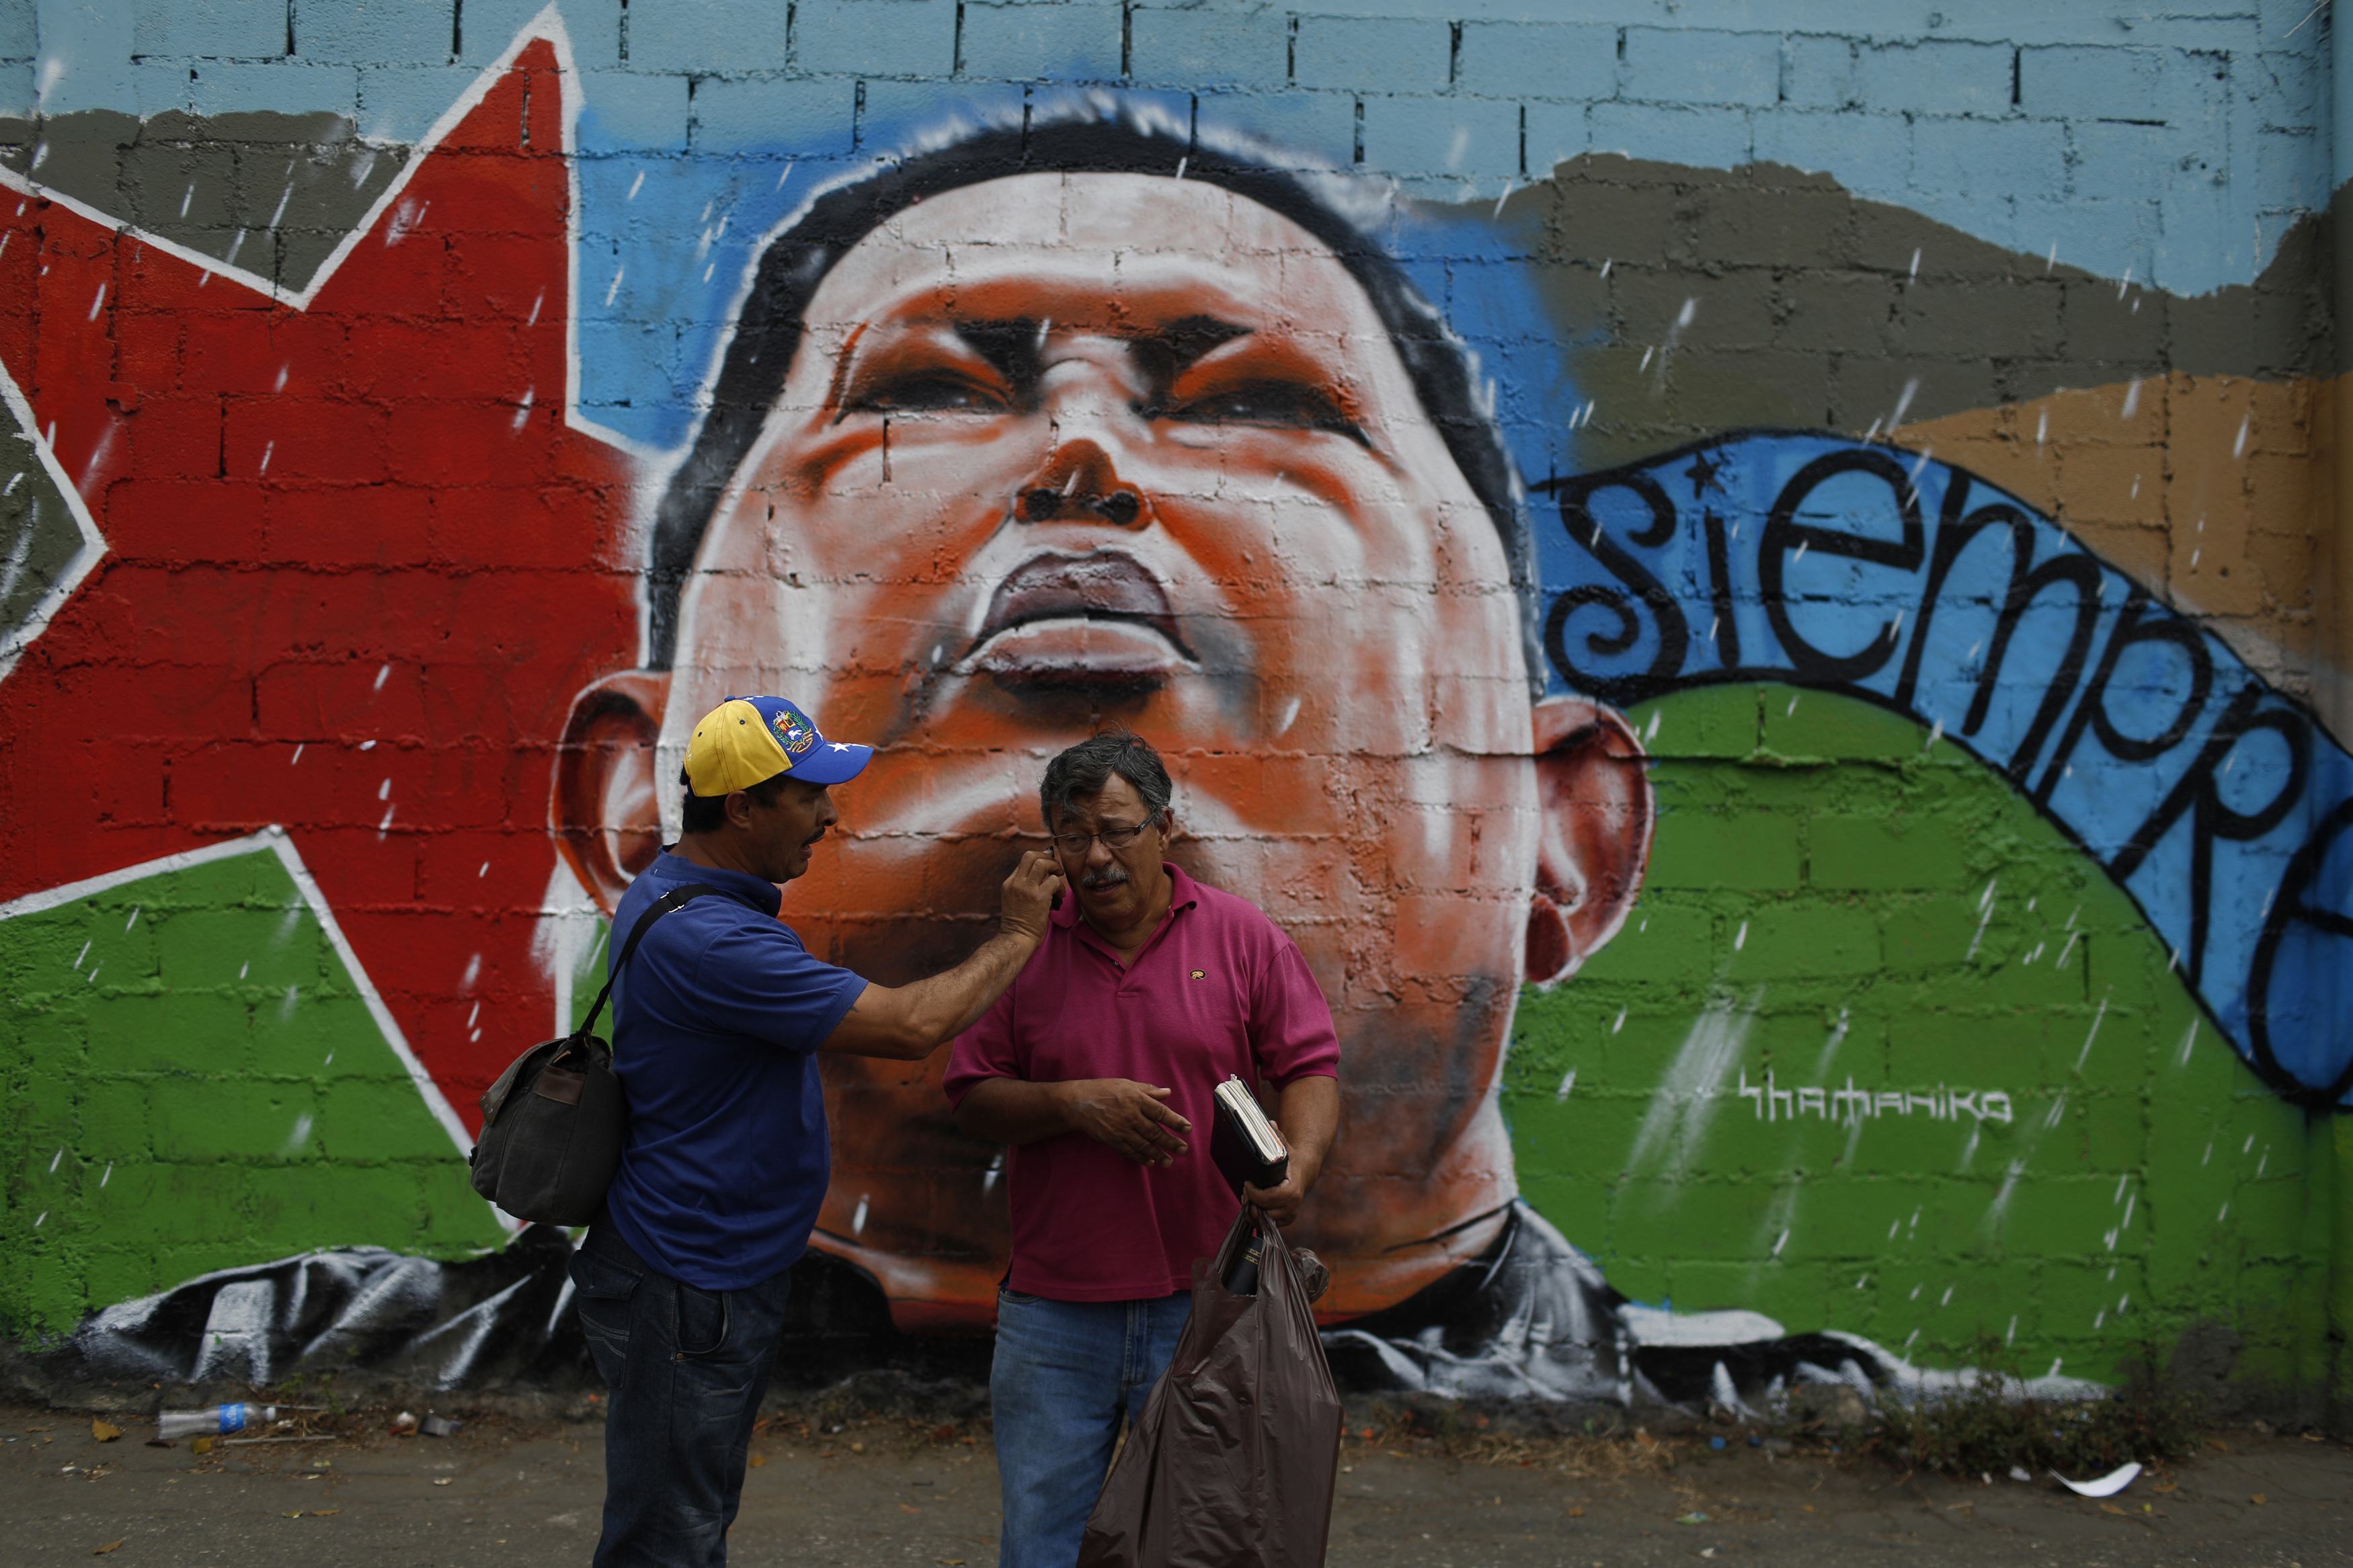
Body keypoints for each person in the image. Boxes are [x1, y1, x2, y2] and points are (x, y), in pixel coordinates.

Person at [551, 113, 1880, 1407]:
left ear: (1558, 833)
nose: (1085, 452)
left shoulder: (1807, 1429)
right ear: (632, 803)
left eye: (1251, 396)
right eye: (927, 388)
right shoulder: (355, 1335)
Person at [569, 692, 1063, 1567]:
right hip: (692, 1280)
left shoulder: (677, 888)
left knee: (684, 1511)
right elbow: (912, 1024)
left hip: (697, 1265)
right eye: (808, 796)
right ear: (746, 807)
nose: (830, 815)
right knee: (668, 1537)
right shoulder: (716, 943)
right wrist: (1018, 936)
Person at [942, 731, 1341, 1567]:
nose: (1095, 856)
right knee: (1043, 1543)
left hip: (1208, 1302)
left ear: (1165, 827)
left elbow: (1307, 1067)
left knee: (1202, 1540)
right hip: (1055, 1313)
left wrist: (1298, 1165)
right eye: (1071, 834)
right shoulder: (1020, 951)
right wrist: (1070, 1104)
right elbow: (972, 1095)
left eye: (1117, 829)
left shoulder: (1240, 937)